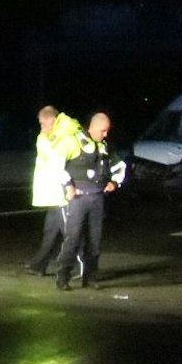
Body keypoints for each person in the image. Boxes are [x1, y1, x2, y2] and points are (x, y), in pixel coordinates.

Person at [53, 111, 127, 290]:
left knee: (95, 241)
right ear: (93, 127)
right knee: (73, 239)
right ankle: (63, 277)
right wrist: (68, 186)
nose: (106, 134)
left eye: (107, 131)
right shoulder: (73, 141)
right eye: (103, 131)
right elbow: (56, 164)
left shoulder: (104, 146)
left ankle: (91, 276)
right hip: (78, 199)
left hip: (97, 198)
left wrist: (114, 183)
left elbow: (120, 167)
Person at [24, 105, 85, 275]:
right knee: (51, 230)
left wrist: (68, 187)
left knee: (71, 233)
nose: (41, 127)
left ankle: (81, 267)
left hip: (62, 194)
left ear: (52, 120)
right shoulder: (49, 136)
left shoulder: (64, 138)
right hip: (53, 193)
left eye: (43, 123)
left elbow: (58, 164)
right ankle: (39, 264)